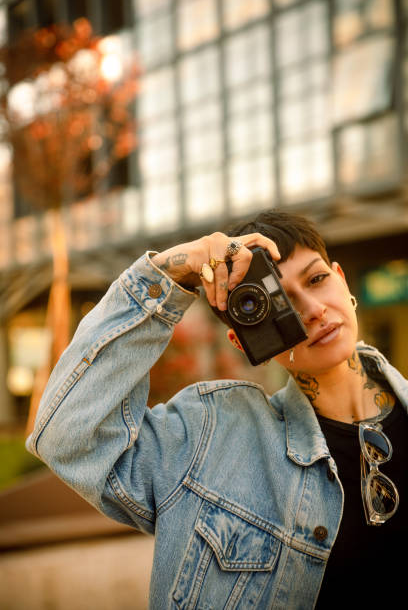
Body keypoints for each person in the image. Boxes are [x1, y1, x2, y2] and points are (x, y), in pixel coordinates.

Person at [27, 210, 408, 609]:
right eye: (281, 301)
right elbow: (66, 438)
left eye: (316, 279)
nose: (313, 310)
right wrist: (170, 273)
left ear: (342, 279)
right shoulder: (210, 441)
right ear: (242, 342)